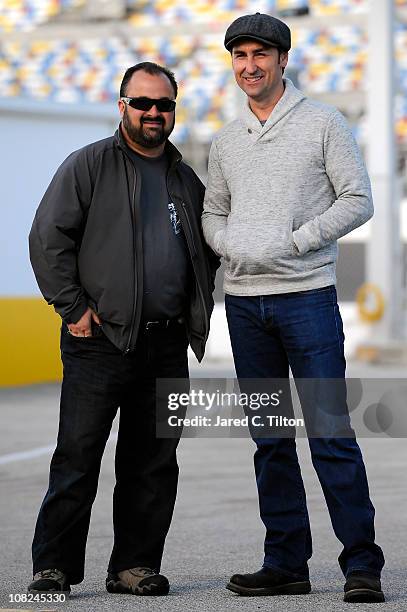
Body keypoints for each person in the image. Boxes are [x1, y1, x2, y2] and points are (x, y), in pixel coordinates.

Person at [202, 13, 385, 604]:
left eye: (261, 54)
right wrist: (235, 247)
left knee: (330, 434)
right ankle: (286, 563)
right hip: (247, 307)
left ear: (284, 60)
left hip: (307, 298)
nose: (249, 65)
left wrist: (296, 241)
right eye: (240, 56)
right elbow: (213, 214)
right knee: (270, 441)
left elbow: (359, 198)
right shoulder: (227, 139)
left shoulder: (322, 122)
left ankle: (362, 565)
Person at [28, 61, 218, 597]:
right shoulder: (88, 165)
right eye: (143, 103)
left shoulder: (185, 178)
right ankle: (54, 568)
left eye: (164, 105)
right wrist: (74, 309)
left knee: (154, 463)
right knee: (78, 457)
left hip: (165, 346)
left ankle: (133, 566)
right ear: (122, 107)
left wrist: (189, 312)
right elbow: (47, 239)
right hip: (98, 342)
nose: (153, 113)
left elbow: (206, 251)